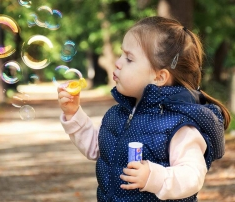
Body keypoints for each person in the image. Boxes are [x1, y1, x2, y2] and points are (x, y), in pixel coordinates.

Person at [57, 16, 230, 202]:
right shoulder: (118, 114)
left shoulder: (179, 125)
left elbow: (192, 176)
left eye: (129, 59)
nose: (118, 62)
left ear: (159, 77)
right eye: (121, 54)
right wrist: (73, 113)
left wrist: (153, 177)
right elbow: (97, 148)